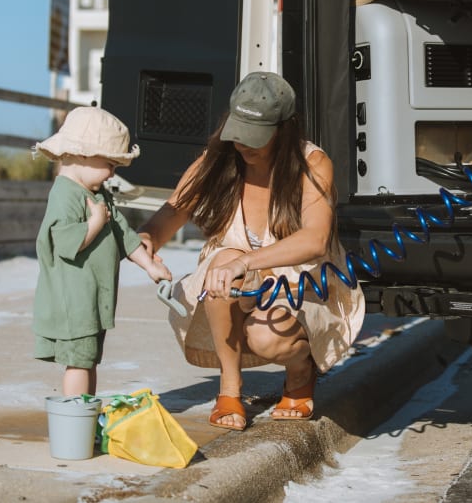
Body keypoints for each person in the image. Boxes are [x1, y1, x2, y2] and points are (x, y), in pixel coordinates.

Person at [138, 72, 364, 431]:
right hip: (239, 283)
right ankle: (230, 390)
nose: (243, 143)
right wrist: (146, 240)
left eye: (256, 135)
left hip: (300, 282)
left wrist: (246, 260)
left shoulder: (311, 162)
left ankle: (300, 372)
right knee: (221, 263)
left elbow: (315, 240)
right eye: (238, 130)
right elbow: (173, 211)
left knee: (264, 336)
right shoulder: (218, 159)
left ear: (285, 129)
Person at [31, 106, 173, 397]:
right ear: (82, 154)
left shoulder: (98, 194)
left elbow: (123, 233)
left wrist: (150, 265)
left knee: (89, 359)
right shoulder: (64, 194)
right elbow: (62, 241)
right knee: (78, 362)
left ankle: (86, 416)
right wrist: (94, 224)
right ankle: (75, 419)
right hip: (74, 302)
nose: (112, 173)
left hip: (92, 300)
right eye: (110, 164)